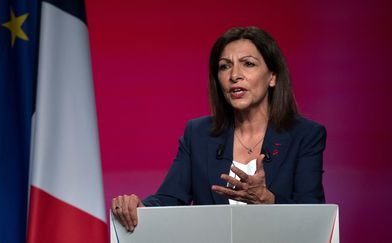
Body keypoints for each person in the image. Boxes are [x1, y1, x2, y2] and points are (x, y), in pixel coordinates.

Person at [111, 26, 326, 232]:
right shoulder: (197, 134)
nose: (235, 75)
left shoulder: (305, 135)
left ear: (272, 76)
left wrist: (268, 201)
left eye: (248, 64)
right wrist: (137, 207)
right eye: (225, 66)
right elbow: (169, 198)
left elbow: (313, 216)